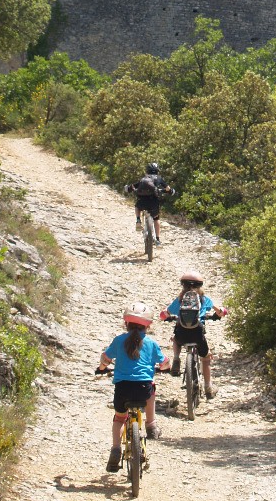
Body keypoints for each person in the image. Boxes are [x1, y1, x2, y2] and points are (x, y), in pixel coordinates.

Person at [97, 301, 170, 473]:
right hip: (142, 389)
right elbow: (165, 362)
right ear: (148, 326)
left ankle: (115, 449)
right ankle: (151, 424)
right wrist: (163, 368)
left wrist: (101, 368)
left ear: (126, 323)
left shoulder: (119, 340)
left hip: (123, 390)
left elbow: (105, 359)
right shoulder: (151, 343)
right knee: (151, 388)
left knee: (119, 418)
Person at [161, 269, 227, 399]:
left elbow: (164, 314)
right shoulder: (204, 299)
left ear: (183, 285)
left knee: (175, 338)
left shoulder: (180, 299)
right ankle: (208, 387)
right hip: (197, 334)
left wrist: (166, 317)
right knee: (206, 357)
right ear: (200, 285)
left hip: (181, 334)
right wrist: (221, 313)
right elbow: (220, 312)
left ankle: (176, 358)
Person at [124, 162, 175, 246]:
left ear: (147, 170)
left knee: (137, 206)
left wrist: (128, 188)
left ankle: (138, 220)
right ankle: (157, 240)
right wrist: (171, 191)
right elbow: (168, 188)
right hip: (153, 203)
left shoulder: (144, 179)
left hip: (142, 202)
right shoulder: (159, 179)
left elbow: (133, 187)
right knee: (156, 219)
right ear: (157, 170)